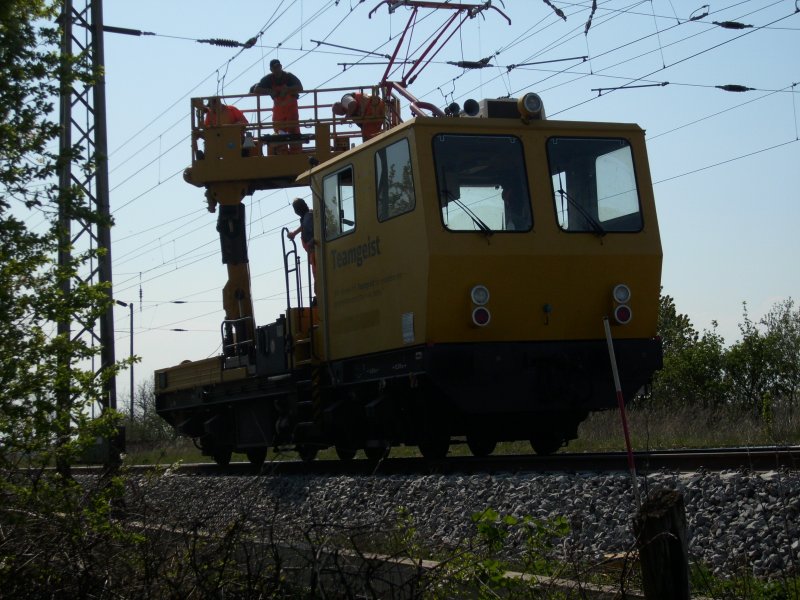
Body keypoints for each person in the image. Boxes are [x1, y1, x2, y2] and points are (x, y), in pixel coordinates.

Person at [251, 59, 303, 153]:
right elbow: (256, 89)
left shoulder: (288, 76)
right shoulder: (268, 79)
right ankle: (283, 154)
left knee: (294, 134)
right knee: (280, 136)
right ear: (271, 69)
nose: (277, 69)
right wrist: (270, 91)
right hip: (279, 113)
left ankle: (296, 154)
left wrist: (287, 90)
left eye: (278, 66)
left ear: (281, 66)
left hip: (291, 112)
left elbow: (300, 87)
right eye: (274, 67)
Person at [287, 198, 317, 298]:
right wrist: (294, 233)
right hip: (312, 252)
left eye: (295, 209)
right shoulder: (308, 216)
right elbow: (303, 226)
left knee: (318, 276)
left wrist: (310, 243)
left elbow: (316, 233)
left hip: (315, 251)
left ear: (297, 210)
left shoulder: (308, 218)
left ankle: (319, 297)